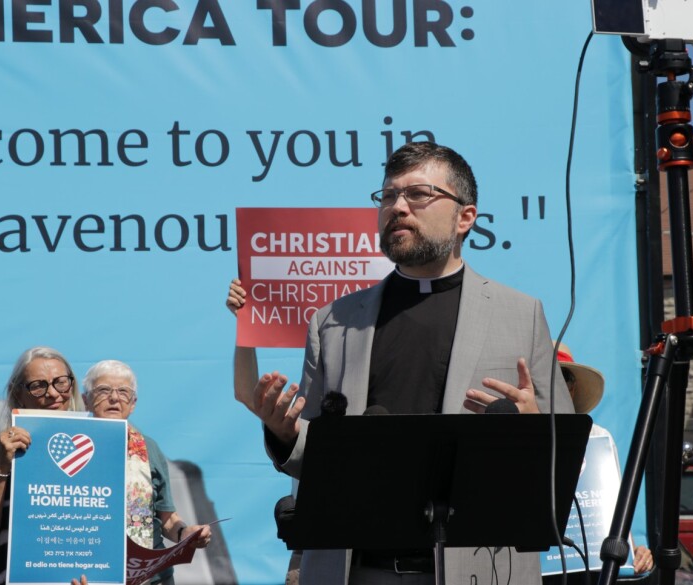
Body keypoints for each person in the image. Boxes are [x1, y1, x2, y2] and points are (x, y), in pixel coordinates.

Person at [229, 141, 574, 585]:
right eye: (388, 195)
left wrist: (532, 429)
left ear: (465, 217)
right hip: (358, 570)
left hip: (478, 569)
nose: (398, 207)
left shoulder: (521, 313)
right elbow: (312, 459)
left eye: (418, 195)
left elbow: (561, 453)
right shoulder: (334, 321)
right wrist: (284, 435)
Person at [82, 360, 212, 585]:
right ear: (86, 400)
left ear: (133, 403)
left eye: (123, 392)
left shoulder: (148, 448)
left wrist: (185, 534)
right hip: (90, 574)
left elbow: (167, 520)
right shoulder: (71, 447)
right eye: (103, 390)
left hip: (151, 577)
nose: (114, 398)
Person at [0, 346, 85, 585]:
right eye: (38, 385)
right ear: (17, 394)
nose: (53, 393)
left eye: (61, 382)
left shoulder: (96, 451)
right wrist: (2, 467)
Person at [546, 343, 654, 580]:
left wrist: (632, 550)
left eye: (561, 377)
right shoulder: (513, 439)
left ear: (572, 388)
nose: (552, 386)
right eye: (543, 376)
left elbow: (608, 511)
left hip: (588, 573)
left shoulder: (598, 438)